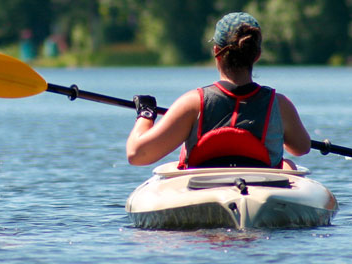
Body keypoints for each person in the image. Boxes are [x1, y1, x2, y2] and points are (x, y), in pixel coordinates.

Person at [126, 12, 311, 170]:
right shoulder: (280, 105)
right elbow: (302, 148)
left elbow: (137, 154)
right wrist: (276, 131)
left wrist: (146, 114)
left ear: (217, 51)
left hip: (204, 192)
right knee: (288, 164)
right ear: (257, 55)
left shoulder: (192, 104)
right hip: (261, 192)